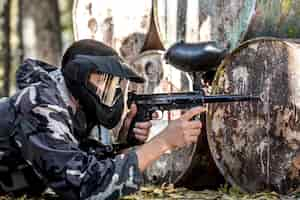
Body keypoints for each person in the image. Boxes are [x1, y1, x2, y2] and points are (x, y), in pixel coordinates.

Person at [0, 39, 204, 200]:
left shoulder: (73, 106)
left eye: (115, 85)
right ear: (79, 75)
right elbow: (84, 186)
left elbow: (83, 162)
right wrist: (163, 142)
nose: (111, 92)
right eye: (104, 82)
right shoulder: (40, 105)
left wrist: (125, 144)